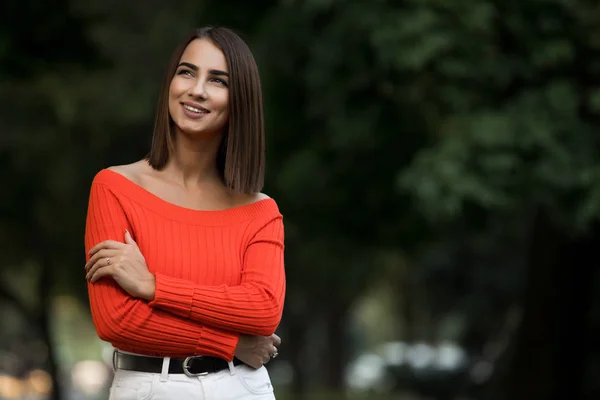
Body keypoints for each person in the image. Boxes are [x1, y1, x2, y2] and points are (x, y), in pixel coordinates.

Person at [83, 26, 285, 400]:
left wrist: (153, 286)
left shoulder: (260, 210)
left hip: (241, 389)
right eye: (187, 72)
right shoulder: (114, 188)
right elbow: (118, 320)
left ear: (239, 100)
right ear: (170, 84)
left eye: (218, 80)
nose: (197, 89)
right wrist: (231, 343)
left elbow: (263, 310)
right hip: (148, 387)